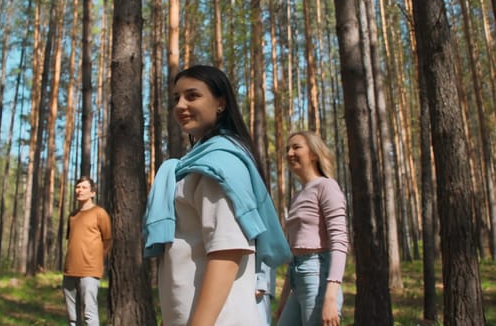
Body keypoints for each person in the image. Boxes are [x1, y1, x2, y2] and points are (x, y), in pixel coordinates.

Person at [143, 65, 291, 326]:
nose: (180, 105)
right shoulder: (198, 163)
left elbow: (228, 250)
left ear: (221, 103)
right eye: (176, 97)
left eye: (192, 95)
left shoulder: (218, 166)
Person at [276, 131, 349, 326]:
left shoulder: (326, 187)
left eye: (296, 147)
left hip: (318, 277)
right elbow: (295, 252)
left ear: (314, 154)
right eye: (287, 149)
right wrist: (284, 298)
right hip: (297, 278)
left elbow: (340, 241)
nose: (290, 153)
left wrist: (331, 296)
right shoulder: (299, 196)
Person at [62, 176, 112, 326]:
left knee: (89, 314)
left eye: (84, 188)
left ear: (92, 193)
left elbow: (108, 240)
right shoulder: (72, 216)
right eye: (78, 187)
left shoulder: (100, 213)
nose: (80, 190)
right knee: (72, 318)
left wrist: (97, 260)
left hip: (90, 271)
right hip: (69, 271)